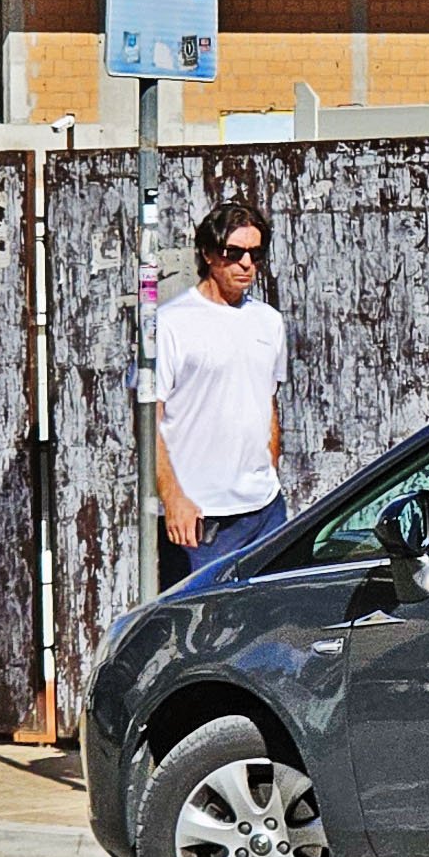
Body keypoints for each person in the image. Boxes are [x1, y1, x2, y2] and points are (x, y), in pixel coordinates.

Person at [155, 202, 288, 586]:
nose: (246, 264)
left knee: (268, 625)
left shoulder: (268, 322)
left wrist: (269, 470)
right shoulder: (172, 324)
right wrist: (174, 498)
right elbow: (150, 418)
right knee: (197, 637)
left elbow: (267, 401)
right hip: (200, 519)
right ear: (210, 254)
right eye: (234, 253)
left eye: (255, 254)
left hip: (264, 510)